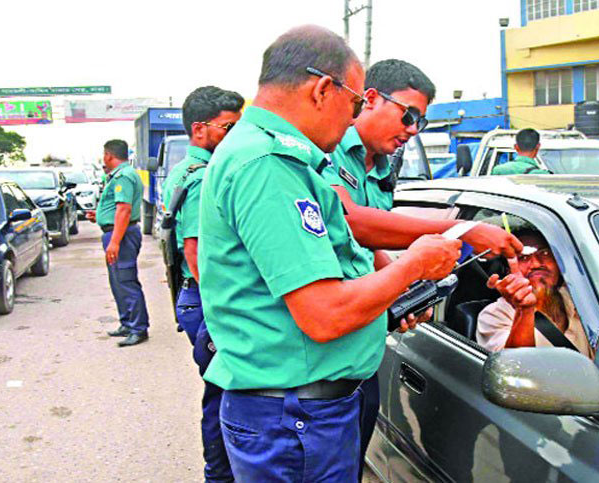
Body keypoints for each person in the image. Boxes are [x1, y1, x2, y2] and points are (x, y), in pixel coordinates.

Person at [197, 25, 462, 481]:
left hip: (297, 411)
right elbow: (323, 315)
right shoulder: (268, 167)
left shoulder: (277, 158)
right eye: (356, 103)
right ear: (323, 89)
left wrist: (385, 299)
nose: (353, 119)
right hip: (294, 417)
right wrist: (414, 265)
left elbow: (330, 275)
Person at [323, 58, 523, 479]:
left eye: (422, 123)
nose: (413, 130)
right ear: (372, 99)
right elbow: (351, 222)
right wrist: (464, 228)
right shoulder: (331, 147)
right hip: (324, 351)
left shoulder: (380, 167)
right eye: (409, 115)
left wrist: (397, 289)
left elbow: (369, 244)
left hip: (362, 351)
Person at [160, 85, 243, 482]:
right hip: (206, 297)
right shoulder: (203, 176)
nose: (234, 136)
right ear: (199, 130)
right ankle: (220, 475)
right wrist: (221, 310)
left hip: (193, 296)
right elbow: (196, 251)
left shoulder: (184, 170)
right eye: (228, 127)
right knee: (222, 396)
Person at [476, 229, 594, 359]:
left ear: (558, 263)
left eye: (544, 253)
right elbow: (514, 365)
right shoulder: (495, 315)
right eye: (524, 257)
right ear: (509, 271)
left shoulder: (581, 299)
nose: (536, 264)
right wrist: (525, 310)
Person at [86, 139, 150, 347]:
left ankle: (138, 328)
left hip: (121, 235)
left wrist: (114, 241)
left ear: (109, 155)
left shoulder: (123, 176)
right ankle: (127, 322)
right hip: (116, 232)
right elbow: (118, 209)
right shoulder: (121, 175)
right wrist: (100, 215)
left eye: (104, 154)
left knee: (126, 280)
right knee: (117, 282)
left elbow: (124, 210)